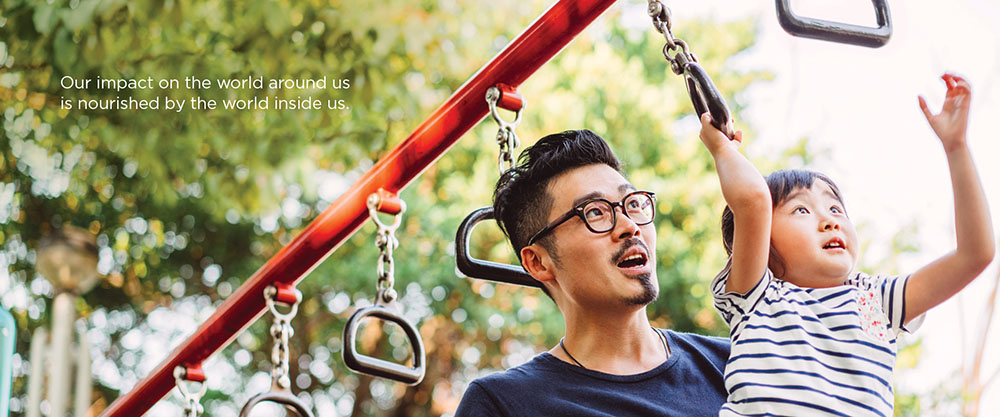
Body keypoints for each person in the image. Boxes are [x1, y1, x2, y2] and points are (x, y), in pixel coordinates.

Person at [700, 73, 995, 416]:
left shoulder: (875, 301)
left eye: (836, 208)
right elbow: (752, 201)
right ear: (761, 239)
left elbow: (975, 255)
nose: (830, 220)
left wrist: (956, 148)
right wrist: (723, 149)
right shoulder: (756, 295)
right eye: (801, 209)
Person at [454, 130, 731, 416]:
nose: (629, 225)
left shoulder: (735, 363)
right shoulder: (503, 404)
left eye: (633, 203)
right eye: (595, 212)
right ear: (538, 262)